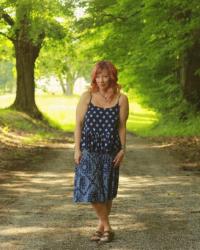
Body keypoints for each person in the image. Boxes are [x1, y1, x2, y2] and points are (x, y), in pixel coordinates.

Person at [73, 60, 129, 243]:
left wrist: (123, 149)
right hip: (89, 149)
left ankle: (100, 227)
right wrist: (77, 149)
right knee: (91, 189)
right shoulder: (86, 96)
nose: (102, 80)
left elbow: (121, 127)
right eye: (98, 76)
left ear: (112, 77)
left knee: (106, 190)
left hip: (110, 150)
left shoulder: (121, 99)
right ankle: (108, 227)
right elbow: (78, 125)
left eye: (105, 76)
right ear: (94, 77)